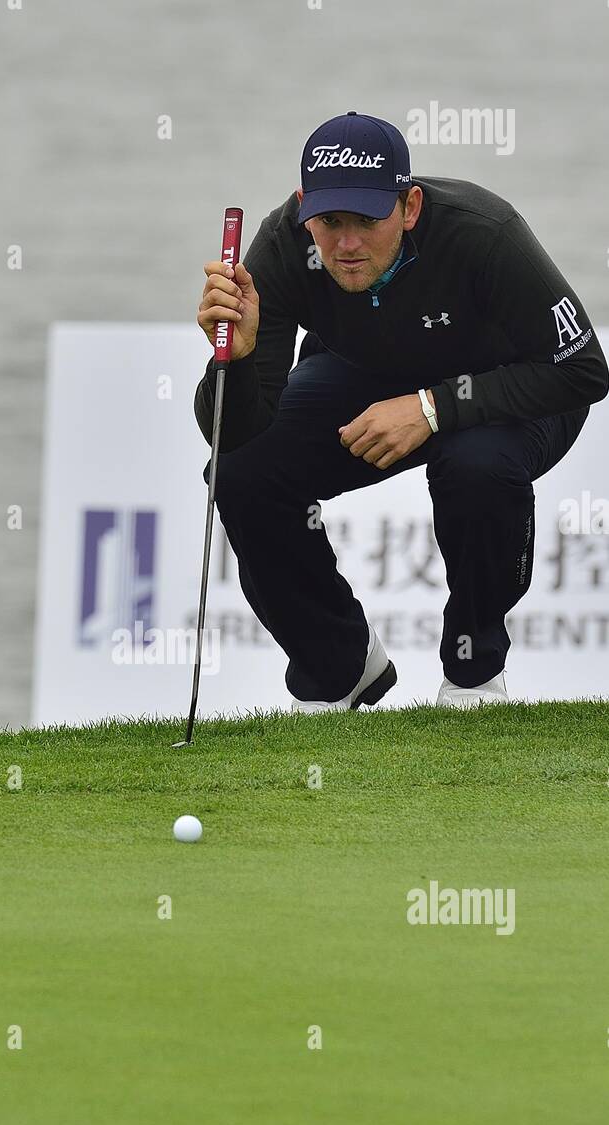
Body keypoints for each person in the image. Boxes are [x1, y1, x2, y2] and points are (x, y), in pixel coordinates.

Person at [194, 111, 609, 709]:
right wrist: (233, 356)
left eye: (367, 219)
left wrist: (433, 408)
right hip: (368, 373)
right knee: (240, 470)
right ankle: (339, 665)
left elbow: (583, 370)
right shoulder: (284, 246)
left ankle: (473, 671)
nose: (347, 243)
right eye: (329, 221)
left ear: (409, 206)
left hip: (515, 386)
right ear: (304, 205)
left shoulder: (482, 231)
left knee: (475, 464)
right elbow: (234, 433)